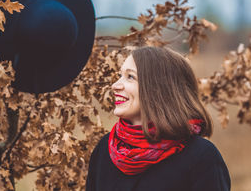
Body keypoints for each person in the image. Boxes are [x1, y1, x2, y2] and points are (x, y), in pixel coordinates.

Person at [86, 46, 231, 191]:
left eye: (130, 77)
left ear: (158, 87)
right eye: (120, 76)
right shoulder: (106, 149)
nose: (115, 86)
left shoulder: (201, 156)